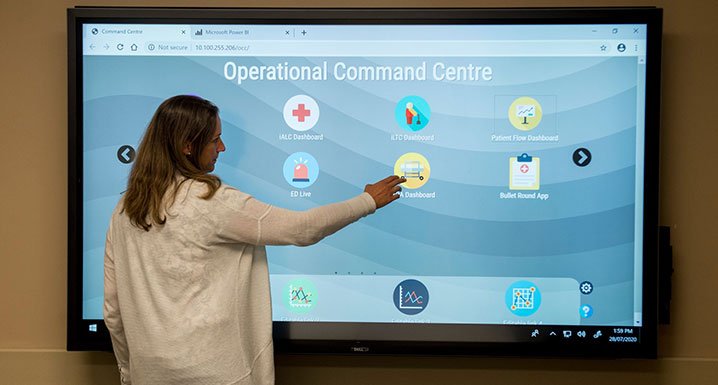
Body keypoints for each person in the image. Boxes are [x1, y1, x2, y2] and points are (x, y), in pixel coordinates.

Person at [103, 95, 405, 385]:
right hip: (217, 375)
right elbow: (301, 229)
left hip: (150, 375)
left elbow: (113, 311)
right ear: (186, 146)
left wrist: (130, 373)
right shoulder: (210, 201)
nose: (221, 147)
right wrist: (368, 200)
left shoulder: (124, 210)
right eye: (214, 139)